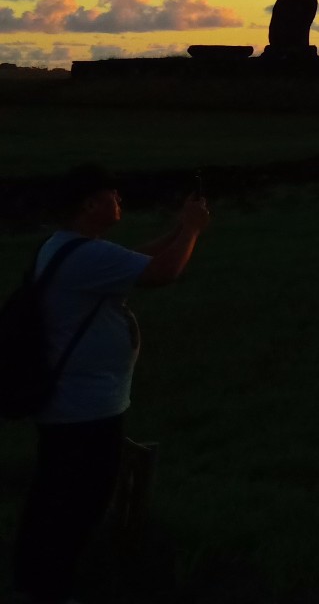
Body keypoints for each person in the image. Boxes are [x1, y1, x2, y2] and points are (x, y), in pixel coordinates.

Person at [11, 165, 210, 604]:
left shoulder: (68, 248)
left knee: (54, 495)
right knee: (77, 504)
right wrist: (192, 231)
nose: (119, 198)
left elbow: (137, 260)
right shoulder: (86, 255)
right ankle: (50, 587)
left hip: (70, 404)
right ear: (89, 205)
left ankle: (33, 581)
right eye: (110, 194)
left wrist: (178, 228)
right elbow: (163, 272)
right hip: (84, 409)